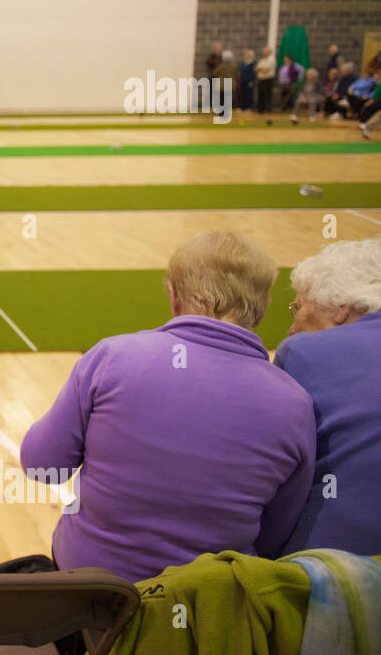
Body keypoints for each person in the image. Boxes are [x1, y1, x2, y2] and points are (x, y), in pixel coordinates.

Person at [20, 231, 316, 583]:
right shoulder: (295, 404)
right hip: (208, 604)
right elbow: (275, 532)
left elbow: (41, 466)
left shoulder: (112, 358)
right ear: (265, 306)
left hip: (89, 589)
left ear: (174, 297)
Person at [274, 238, 381, 556]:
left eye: (298, 307)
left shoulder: (303, 352)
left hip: (332, 569)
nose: (292, 327)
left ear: (341, 309)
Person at [254, 46, 276, 115]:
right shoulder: (262, 60)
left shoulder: (271, 59)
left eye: (265, 51)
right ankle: (260, 109)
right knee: (261, 94)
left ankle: (268, 109)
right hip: (261, 79)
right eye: (263, 51)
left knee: (267, 95)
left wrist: (260, 68)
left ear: (268, 52)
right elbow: (255, 69)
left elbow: (266, 70)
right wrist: (261, 68)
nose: (263, 52)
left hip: (268, 79)